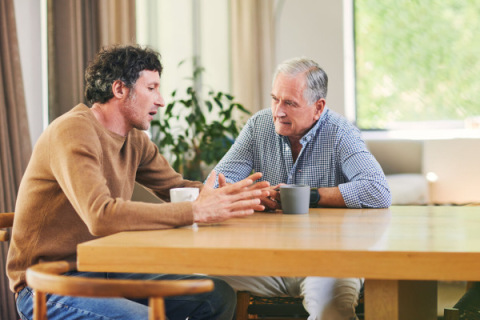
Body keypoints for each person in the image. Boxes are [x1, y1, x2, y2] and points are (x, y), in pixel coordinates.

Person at [7, 45, 270, 320]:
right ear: (120, 89)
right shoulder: (73, 131)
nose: (161, 100)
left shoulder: (134, 140)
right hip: (47, 285)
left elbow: (176, 189)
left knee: (216, 297)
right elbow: (101, 215)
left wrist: (230, 196)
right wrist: (196, 211)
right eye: (152, 88)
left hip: (103, 270)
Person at [212, 57, 392, 320]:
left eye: (290, 103)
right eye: (275, 99)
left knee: (332, 311)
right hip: (267, 259)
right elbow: (217, 183)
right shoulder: (259, 126)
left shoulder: (340, 133)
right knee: (198, 285)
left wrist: (308, 196)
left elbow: (378, 190)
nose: (278, 111)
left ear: (318, 107)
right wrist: (251, 195)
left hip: (330, 260)